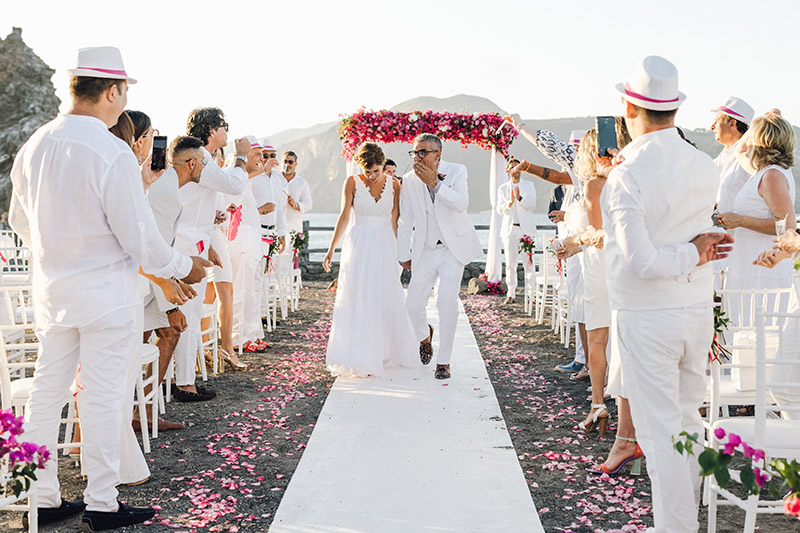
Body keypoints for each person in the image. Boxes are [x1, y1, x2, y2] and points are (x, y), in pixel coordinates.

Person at [9, 46, 210, 530]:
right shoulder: (111, 149)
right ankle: (102, 503)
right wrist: (186, 266)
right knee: (100, 396)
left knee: (44, 395)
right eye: (125, 91)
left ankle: (39, 497)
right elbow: (138, 237)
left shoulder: (35, 143)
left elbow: (19, 221)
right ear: (114, 91)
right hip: (105, 296)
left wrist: (60, 251)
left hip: (53, 293)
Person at [602, 55, 733, 532]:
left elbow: (642, 262)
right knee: (685, 427)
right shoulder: (704, 166)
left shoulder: (626, 174)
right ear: (673, 109)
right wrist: (695, 253)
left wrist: (692, 254)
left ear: (629, 110)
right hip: (695, 314)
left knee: (661, 439)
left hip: (647, 316)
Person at [171, 107, 249, 401]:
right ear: (213, 130)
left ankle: (181, 379)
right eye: (224, 126)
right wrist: (241, 157)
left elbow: (193, 205)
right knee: (187, 316)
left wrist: (211, 232)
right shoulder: (201, 157)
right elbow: (234, 184)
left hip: (194, 242)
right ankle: (185, 384)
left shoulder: (204, 157)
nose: (228, 132)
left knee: (185, 315)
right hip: (187, 248)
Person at [322, 142, 418, 376]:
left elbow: (396, 220)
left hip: (385, 243)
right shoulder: (352, 182)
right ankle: (360, 353)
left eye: (377, 171)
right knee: (359, 295)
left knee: (384, 296)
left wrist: (403, 252)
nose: (373, 176)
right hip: (359, 244)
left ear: (383, 165)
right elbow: (345, 216)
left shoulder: (395, 184)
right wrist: (331, 248)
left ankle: (383, 351)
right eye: (369, 172)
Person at [505, 120, 588, 380]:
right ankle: (587, 362)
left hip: (587, 248)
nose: (570, 156)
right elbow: (554, 175)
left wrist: (521, 126)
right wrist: (527, 167)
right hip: (575, 248)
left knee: (586, 308)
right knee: (581, 308)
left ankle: (593, 365)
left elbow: (551, 146)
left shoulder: (589, 173)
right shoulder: (580, 177)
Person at [397, 133, 483, 379]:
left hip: (452, 248)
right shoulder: (409, 179)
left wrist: (436, 183)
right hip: (424, 249)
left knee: (446, 302)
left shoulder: (456, 171)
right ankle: (425, 336)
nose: (417, 157)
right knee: (412, 304)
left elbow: (461, 204)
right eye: (414, 152)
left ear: (438, 155)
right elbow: (406, 220)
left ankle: (443, 362)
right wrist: (403, 253)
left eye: (422, 152)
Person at [718, 113, 796, 322]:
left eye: (752, 134)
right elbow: (740, 151)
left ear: (762, 140)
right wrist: (761, 119)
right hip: (749, 268)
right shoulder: (763, 172)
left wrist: (740, 220)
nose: (747, 138)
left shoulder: (772, 176)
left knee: (756, 339)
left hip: (763, 275)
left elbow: (787, 228)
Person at [709, 97, 754, 287]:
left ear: (733, 123)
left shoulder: (750, 156)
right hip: (720, 241)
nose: (712, 126)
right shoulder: (720, 157)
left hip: (743, 242)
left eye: (717, 121)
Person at [251, 138, 289, 321]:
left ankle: (262, 312)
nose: (270, 159)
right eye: (265, 155)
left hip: (271, 231)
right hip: (255, 230)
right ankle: (256, 315)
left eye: (273, 155)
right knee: (255, 275)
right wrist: (263, 169)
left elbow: (279, 208)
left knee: (265, 273)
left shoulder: (277, 179)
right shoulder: (252, 176)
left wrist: (282, 234)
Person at [496, 158, 537, 304]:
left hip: (525, 229)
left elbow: (532, 205)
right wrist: (510, 202)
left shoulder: (529, 185)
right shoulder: (502, 189)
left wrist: (520, 198)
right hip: (509, 230)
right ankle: (511, 293)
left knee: (528, 263)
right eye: (512, 168)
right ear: (508, 171)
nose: (515, 171)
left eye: (517, 168)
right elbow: (499, 209)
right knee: (510, 263)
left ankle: (531, 294)